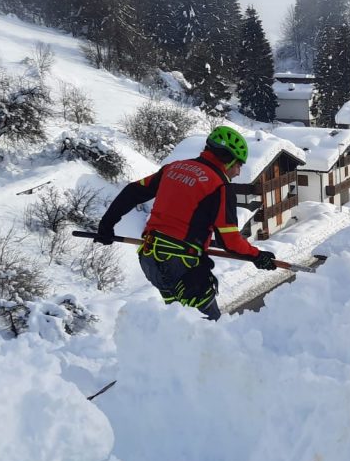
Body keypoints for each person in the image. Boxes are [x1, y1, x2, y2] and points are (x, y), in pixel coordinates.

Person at [94, 125, 277, 320]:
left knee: (178, 323)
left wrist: (106, 225)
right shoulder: (219, 186)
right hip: (180, 264)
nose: (239, 171)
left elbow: (132, 192)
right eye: (239, 164)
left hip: (149, 257)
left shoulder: (173, 168)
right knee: (207, 330)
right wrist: (258, 256)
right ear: (227, 159)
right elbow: (229, 241)